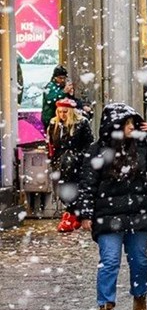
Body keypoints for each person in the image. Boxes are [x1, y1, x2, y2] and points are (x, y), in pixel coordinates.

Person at [77, 103, 147, 310]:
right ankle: (106, 305)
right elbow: (88, 184)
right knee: (110, 261)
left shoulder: (139, 147)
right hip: (108, 215)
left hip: (137, 213)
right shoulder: (98, 151)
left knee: (140, 260)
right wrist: (86, 214)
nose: (130, 127)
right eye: (126, 123)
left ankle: (140, 297)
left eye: (132, 123)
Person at [47, 98, 94, 232]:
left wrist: (80, 157)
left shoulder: (81, 123)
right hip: (60, 162)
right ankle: (73, 213)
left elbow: (88, 143)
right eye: (60, 112)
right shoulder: (54, 124)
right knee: (62, 189)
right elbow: (52, 144)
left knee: (73, 188)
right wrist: (53, 158)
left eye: (65, 112)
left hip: (76, 162)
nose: (62, 114)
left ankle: (71, 213)